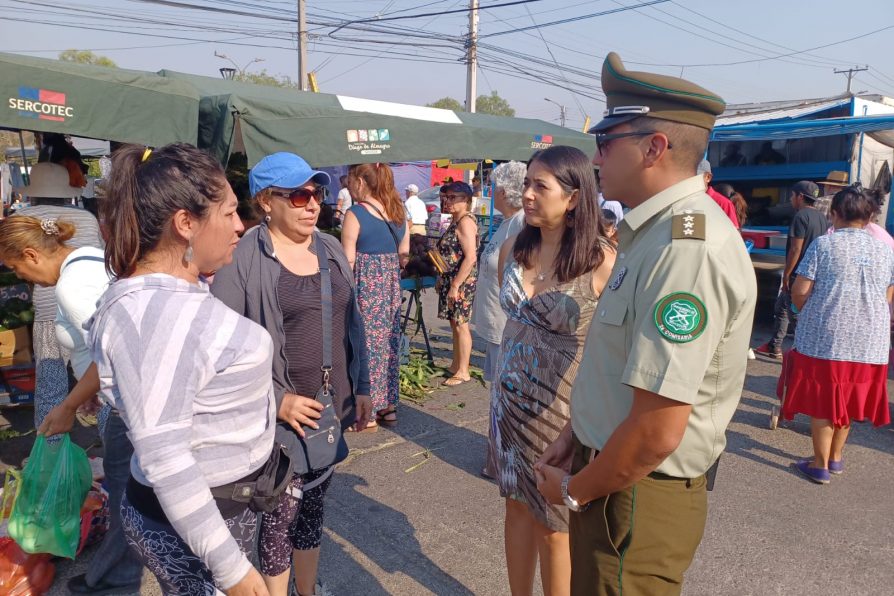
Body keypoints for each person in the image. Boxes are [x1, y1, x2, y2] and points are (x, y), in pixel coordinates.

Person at [535, 52, 756, 595]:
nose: (596, 155)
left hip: (634, 492)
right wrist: (576, 433)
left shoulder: (686, 249)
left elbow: (658, 430)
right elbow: (621, 365)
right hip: (612, 474)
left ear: (654, 148)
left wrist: (573, 490)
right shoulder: (654, 234)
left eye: (608, 141)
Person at [89, 143, 276, 596]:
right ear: (185, 223)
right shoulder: (161, 315)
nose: (240, 226)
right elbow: (166, 457)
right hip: (201, 520)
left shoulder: (164, 295)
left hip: (209, 510)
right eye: (229, 213)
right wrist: (233, 571)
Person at [212, 152, 371, 596]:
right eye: (299, 195)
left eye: (316, 193)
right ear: (266, 201)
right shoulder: (243, 257)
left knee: (313, 510)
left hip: (329, 408)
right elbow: (222, 346)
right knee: (280, 518)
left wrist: (361, 387)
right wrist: (275, 399)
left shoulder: (330, 246)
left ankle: (308, 589)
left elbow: (352, 322)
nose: (311, 204)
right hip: (277, 419)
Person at [493, 146, 616, 596]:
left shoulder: (600, 260)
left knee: (554, 525)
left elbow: (613, 348)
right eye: (526, 183)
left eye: (539, 186)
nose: (526, 194)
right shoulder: (514, 247)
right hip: (507, 409)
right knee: (515, 508)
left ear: (573, 197)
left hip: (560, 414)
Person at [0, 216, 138, 594]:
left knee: (127, 493)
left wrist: (66, 406)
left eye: (19, 269)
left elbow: (110, 352)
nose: (26, 280)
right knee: (128, 490)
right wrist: (90, 388)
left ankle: (115, 580)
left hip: (127, 403)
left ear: (31, 254)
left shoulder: (71, 287)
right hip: (121, 394)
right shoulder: (91, 257)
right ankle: (111, 574)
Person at [779, 185, 893, 484]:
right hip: (871, 341)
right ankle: (836, 458)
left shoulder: (824, 246)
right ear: (869, 216)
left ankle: (819, 464)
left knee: (825, 401)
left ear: (834, 214)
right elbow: (889, 293)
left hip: (827, 336)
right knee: (849, 400)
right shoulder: (884, 249)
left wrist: (808, 312)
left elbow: (801, 290)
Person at [12, 162, 103, 430]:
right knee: (101, 381)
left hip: (49, 311)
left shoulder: (23, 220)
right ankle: (107, 443)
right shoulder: (87, 218)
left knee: (51, 385)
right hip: (90, 305)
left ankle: (49, 451)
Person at [341, 163, 409, 427]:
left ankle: (366, 410)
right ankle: (388, 407)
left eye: (349, 179)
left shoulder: (355, 213)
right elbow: (404, 255)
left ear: (360, 181)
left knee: (364, 344)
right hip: (390, 288)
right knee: (388, 344)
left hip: (366, 288)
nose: (347, 184)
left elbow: (347, 261)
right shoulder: (398, 212)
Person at [755, 181, 827, 360]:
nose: (790, 199)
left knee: (795, 315)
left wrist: (787, 275)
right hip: (812, 274)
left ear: (800, 197)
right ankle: (774, 346)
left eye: (792, 195)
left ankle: (806, 352)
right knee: (781, 308)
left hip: (798, 274)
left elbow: (796, 248)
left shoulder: (800, 216)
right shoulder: (821, 218)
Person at [472, 162, 527, 385]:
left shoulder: (521, 223)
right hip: (498, 324)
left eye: (493, 186)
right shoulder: (507, 222)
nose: (491, 191)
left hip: (508, 327)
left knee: (506, 391)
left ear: (503, 191)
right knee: (497, 389)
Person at [436, 181, 479, 386]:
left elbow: (471, 257)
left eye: (453, 197)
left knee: (461, 325)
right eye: (446, 196)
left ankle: (464, 371)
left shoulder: (465, 222)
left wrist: (455, 285)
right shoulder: (456, 220)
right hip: (452, 279)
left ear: (466, 200)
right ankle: (456, 365)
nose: (448, 201)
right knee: (455, 323)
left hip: (461, 281)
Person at [697, 160, 739, 228]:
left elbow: (734, 234)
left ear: (708, 177)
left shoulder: (723, 203)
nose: (691, 180)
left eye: (695, 177)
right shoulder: (685, 200)